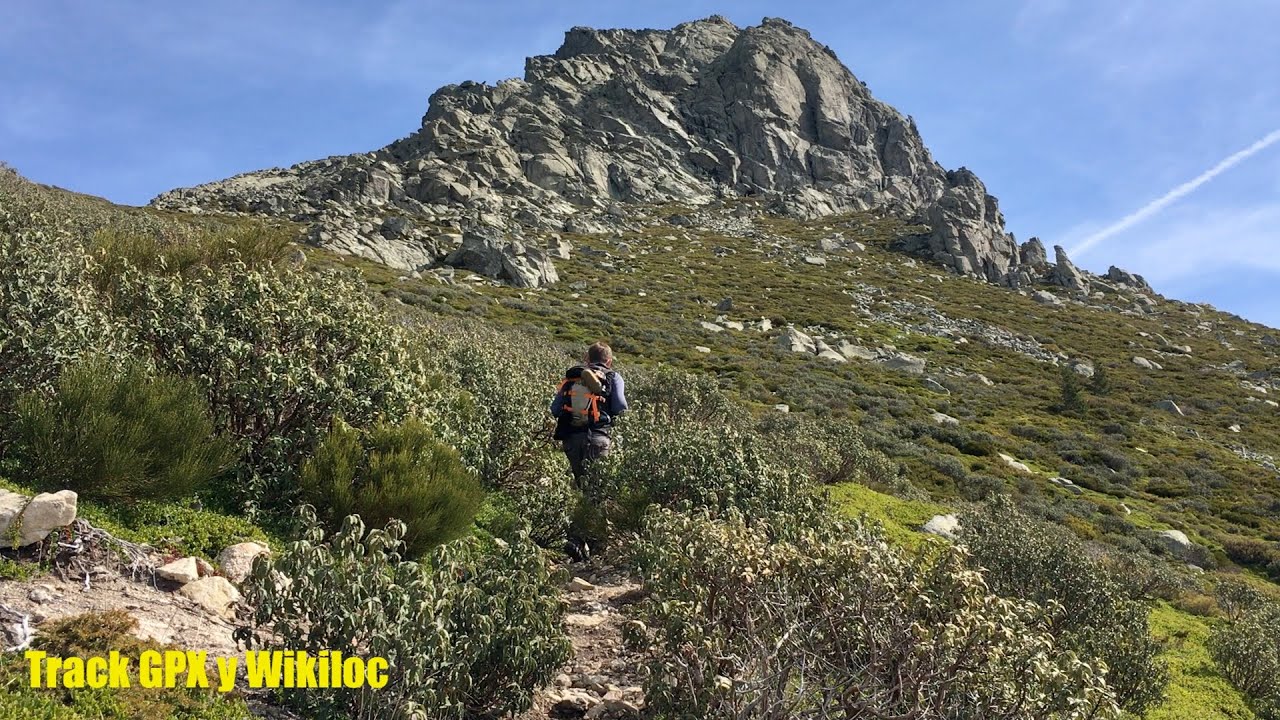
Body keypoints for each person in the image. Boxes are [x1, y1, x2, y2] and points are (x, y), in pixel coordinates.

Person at [550, 341, 628, 483]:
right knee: (598, 487)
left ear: (587, 359)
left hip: (571, 438)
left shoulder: (571, 378)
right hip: (599, 437)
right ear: (609, 361)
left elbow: (555, 409)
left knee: (581, 484)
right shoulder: (613, 377)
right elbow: (620, 407)